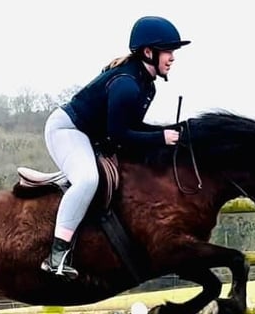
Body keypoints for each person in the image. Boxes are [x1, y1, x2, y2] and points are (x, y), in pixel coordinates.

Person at [40, 16, 191, 279]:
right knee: (88, 180)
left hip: (93, 135)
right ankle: (57, 254)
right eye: (168, 51)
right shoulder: (127, 85)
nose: (172, 58)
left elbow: (133, 127)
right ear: (148, 52)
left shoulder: (146, 84)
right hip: (68, 130)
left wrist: (170, 131)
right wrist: (160, 138)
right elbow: (120, 135)